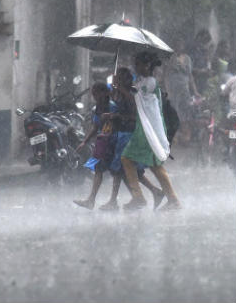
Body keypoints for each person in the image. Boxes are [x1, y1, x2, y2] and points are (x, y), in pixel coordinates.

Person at [121, 52, 181, 211]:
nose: (136, 67)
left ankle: (171, 200)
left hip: (150, 130)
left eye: (139, 64)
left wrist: (120, 88)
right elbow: (132, 93)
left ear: (147, 65)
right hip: (143, 128)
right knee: (131, 159)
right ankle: (140, 196)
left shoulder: (152, 82)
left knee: (153, 164)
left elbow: (135, 98)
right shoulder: (140, 80)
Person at [100, 67, 165, 211]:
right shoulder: (120, 93)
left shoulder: (133, 93)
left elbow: (135, 115)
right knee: (127, 170)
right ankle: (152, 192)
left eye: (120, 78)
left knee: (120, 169)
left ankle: (116, 201)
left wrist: (117, 116)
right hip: (122, 133)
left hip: (129, 134)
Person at [73, 82, 116, 210]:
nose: (94, 96)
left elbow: (118, 123)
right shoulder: (96, 108)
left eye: (96, 93)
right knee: (99, 169)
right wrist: (85, 141)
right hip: (102, 143)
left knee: (117, 172)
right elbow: (95, 127)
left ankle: (113, 201)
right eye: (93, 94)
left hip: (113, 142)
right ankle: (92, 200)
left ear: (104, 93)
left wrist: (110, 119)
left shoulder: (112, 107)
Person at [165, 39, 201, 145]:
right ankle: (174, 136)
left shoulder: (187, 59)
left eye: (181, 45)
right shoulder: (170, 58)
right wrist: (167, 90)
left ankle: (185, 136)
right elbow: (166, 75)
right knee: (174, 112)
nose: (179, 47)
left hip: (184, 90)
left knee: (185, 113)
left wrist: (195, 91)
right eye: (177, 45)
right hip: (173, 90)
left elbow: (190, 76)